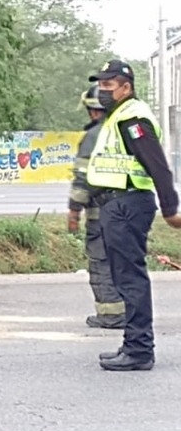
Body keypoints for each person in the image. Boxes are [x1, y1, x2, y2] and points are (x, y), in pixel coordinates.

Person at [85, 60, 181, 371]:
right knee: (124, 277)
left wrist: (171, 208)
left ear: (126, 87)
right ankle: (133, 343)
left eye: (109, 86)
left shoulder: (132, 118)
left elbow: (157, 165)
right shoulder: (119, 117)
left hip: (128, 204)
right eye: (101, 85)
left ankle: (139, 349)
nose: (103, 91)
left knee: (130, 278)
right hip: (117, 204)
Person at [67, 85, 123, 329]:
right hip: (130, 211)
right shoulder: (125, 130)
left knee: (101, 263)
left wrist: (74, 209)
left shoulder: (94, 135)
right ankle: (131, 311)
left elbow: (83, 176)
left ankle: (110, 314)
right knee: (126, 263)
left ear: (93, 110)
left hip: (101, 214)